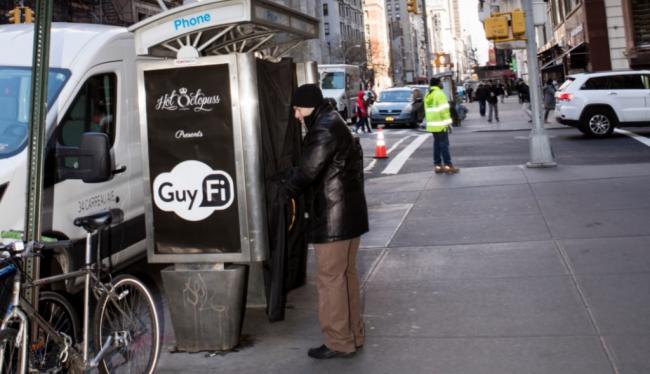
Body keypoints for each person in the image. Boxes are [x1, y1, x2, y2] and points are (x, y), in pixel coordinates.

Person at [276, 84, 369, 359]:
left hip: (332, 218)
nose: (296, 115)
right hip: (349, 215)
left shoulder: (324, 128)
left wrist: (283, 189)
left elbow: (307, 172)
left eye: (297, 109)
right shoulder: (335, 121)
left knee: (330, 280)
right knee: (345, 276)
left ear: (309, 105)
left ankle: (338, 341)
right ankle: (354, 334)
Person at [425, 77, 459, 174]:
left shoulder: (428, 94)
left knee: (437, 145)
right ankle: (448, 166)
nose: (442, 84)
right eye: (441, 82)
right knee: (444, 145)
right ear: (438, 84)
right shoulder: (439, 94)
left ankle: (438, 166)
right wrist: (448, 124)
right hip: (441, 124)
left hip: (432, 124)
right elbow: (444, 111)